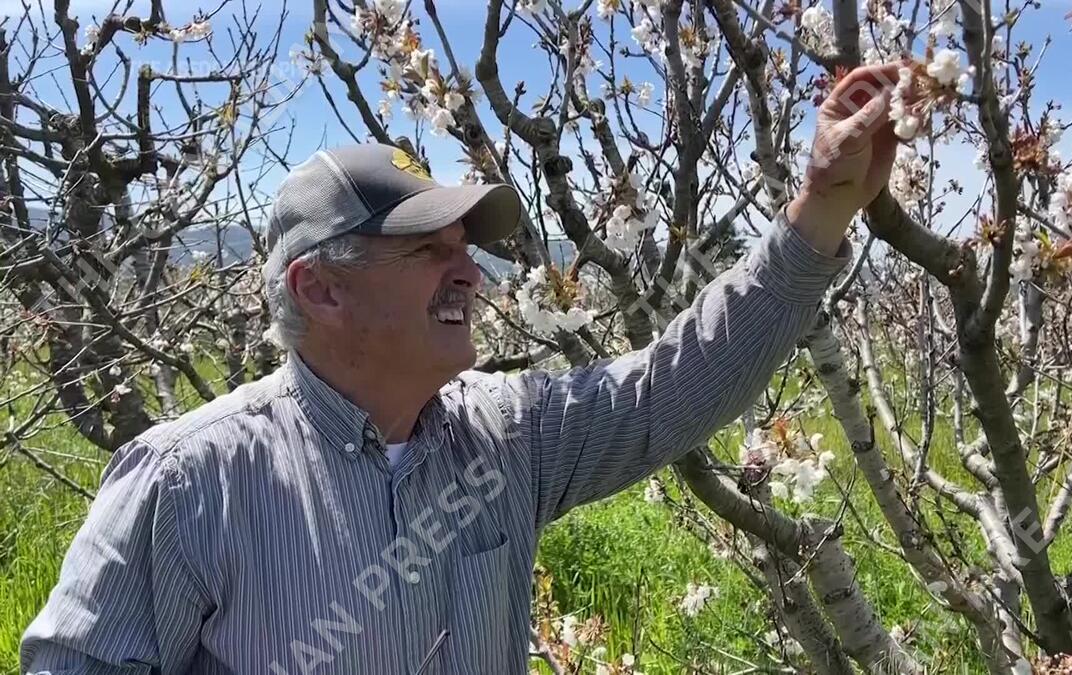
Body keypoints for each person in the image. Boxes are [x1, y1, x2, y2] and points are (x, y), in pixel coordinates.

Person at [22, 63, 901, 674]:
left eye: (464, 247)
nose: (471, 274)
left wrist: (821, 208)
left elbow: (670, 387)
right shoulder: (189, 483)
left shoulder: (507, 435)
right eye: (427, 250)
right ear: (321, 289)